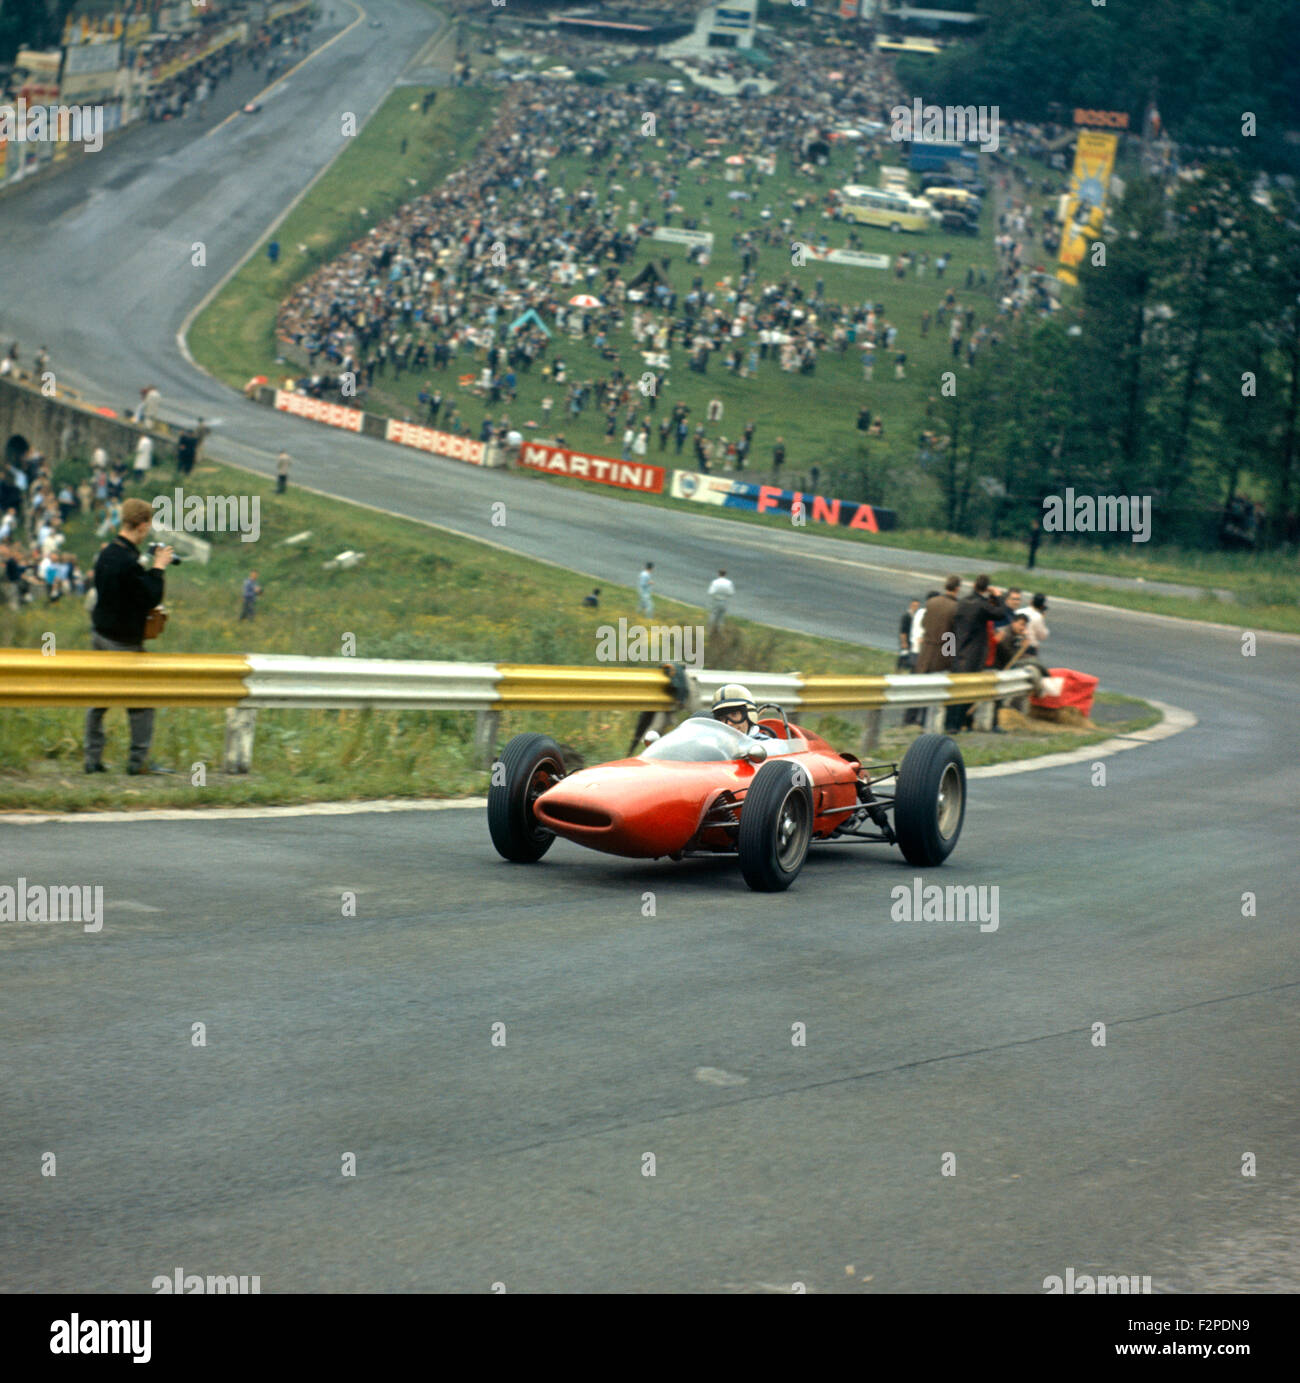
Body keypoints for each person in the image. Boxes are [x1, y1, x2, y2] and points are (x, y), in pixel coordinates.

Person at [84, 497, 174, 775]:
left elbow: (121, 589)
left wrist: (144, 565)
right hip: (123, 643)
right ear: (143, 525)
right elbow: (148, 596)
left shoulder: (108, 553)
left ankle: (92, 759)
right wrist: (158, 567)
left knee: (98, 699)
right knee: (142, 702)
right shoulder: (127, 561)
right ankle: (138, 763)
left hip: (100, 634)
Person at [947, 575, 1005, 732]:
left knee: (955, 690)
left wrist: (948, 652)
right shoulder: (982, 605)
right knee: (966, 691)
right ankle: (958, 725)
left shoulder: (962, 602)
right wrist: (998, 596)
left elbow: (951, 629)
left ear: (973, 585)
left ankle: (951, 723)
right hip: (973, 655)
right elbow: (1000, 614)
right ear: (986, 589)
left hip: (957, 652)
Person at [917, 576, 960, 674]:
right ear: (957, 588)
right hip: (944, 654)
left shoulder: (932, 602)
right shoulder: (956, 607)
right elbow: (955, 634)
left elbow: (924, 623)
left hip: (926, 651)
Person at [707, 568, 735, 633]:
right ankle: (719, 631)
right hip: (724, 601)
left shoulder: (715, 582)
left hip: (716, 600)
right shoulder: (729, 583)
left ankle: (710, 630)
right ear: (725, 574)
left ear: (718, 574)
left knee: (713, 615)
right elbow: (731, 593)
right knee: (721, 617)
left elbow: (710, 592)